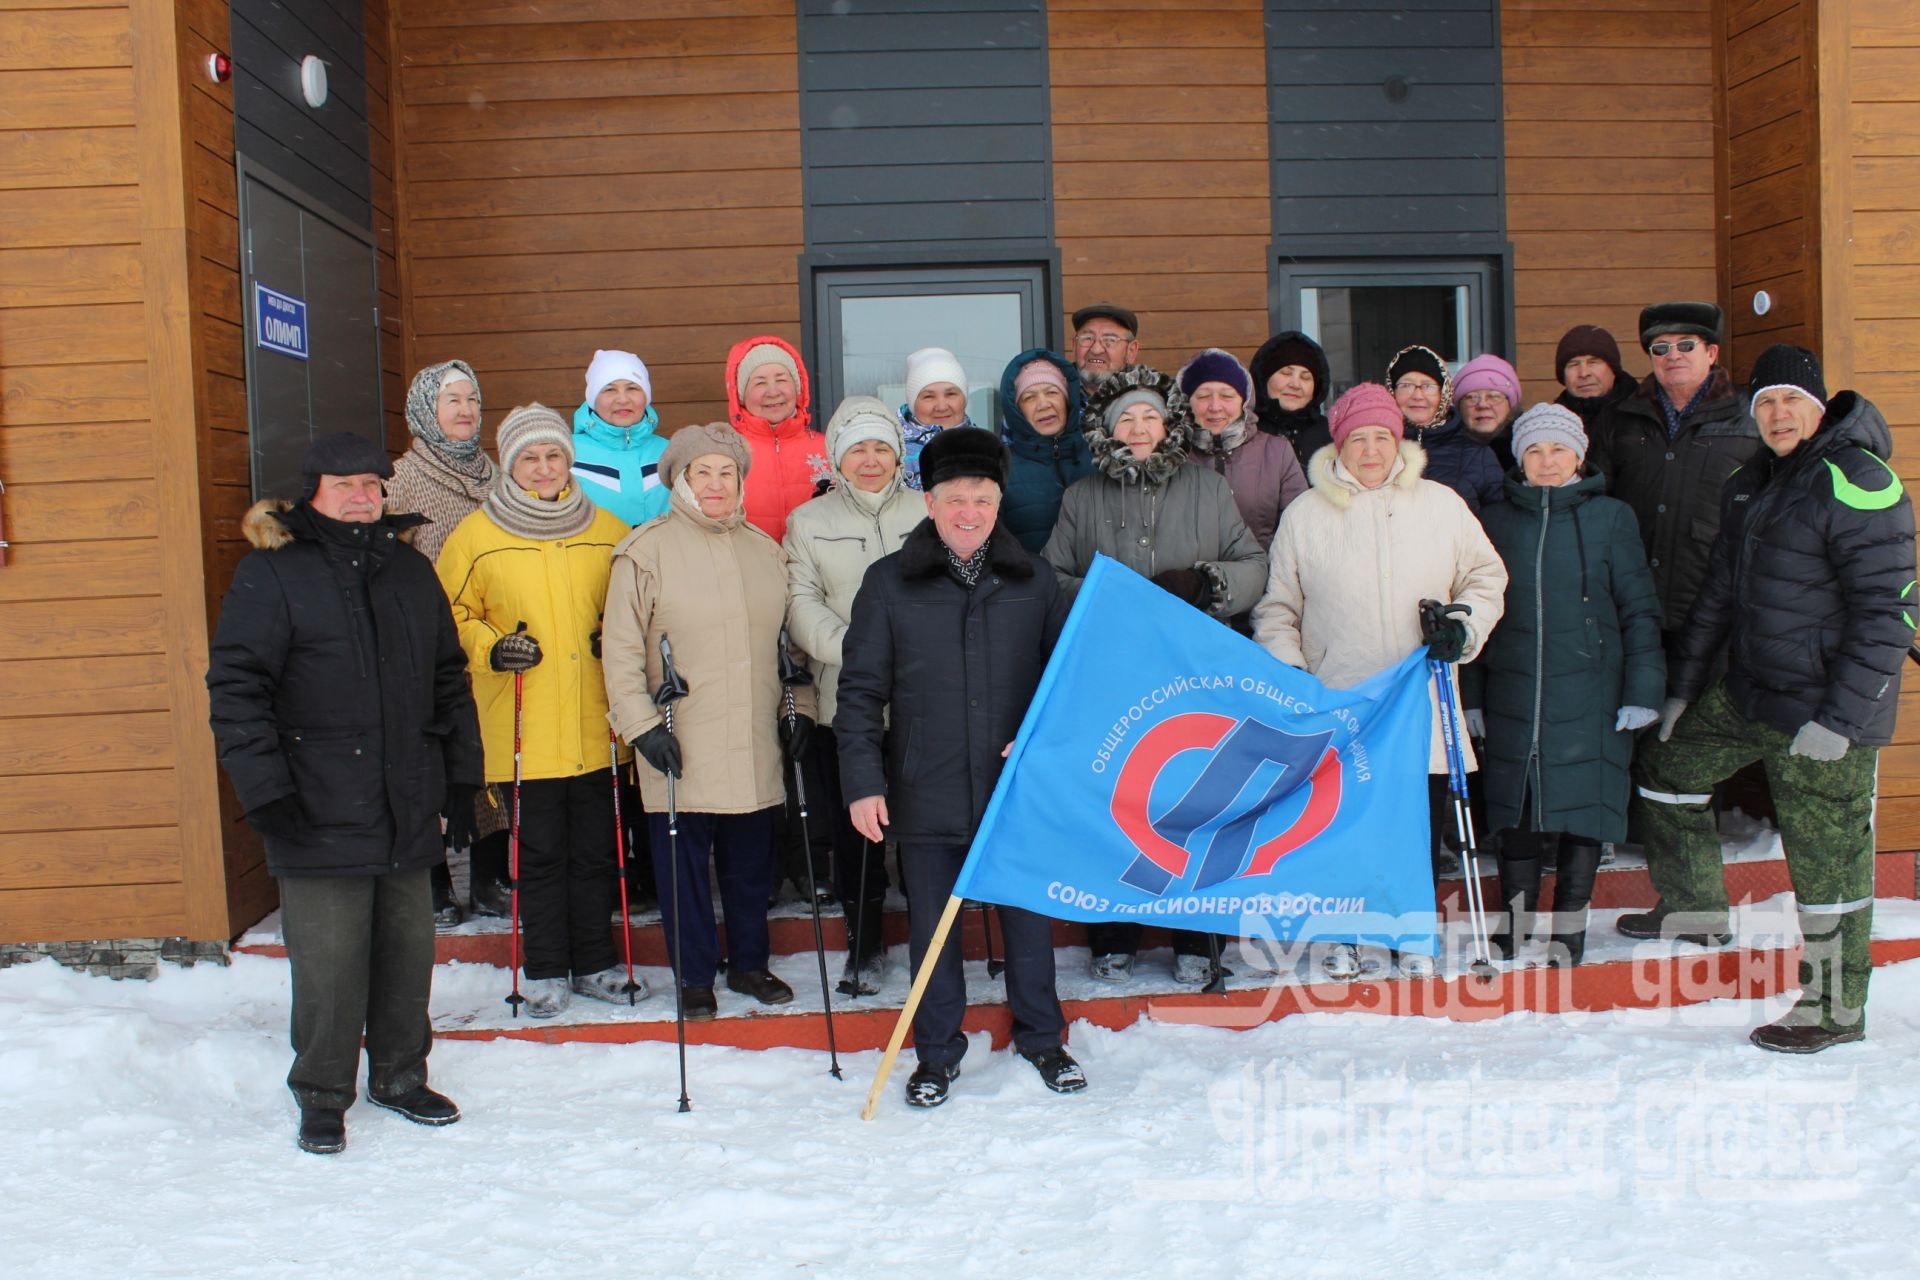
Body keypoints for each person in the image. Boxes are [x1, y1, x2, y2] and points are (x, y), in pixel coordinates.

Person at [1624, 346, 1913, 1053]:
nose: (1779, 414)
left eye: (1792, 400)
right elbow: (1719, 593)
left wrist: (1841, 720)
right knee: (1666, 771)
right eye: (1766, 402)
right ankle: (1694, 906)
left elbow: (1890, 612)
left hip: (1825, 713)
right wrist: (1686, 690)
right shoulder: (1754, 480)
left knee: (1828, 867)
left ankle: (1834, 1011)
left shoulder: (1858, 479)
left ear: (1820, 407)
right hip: (1752, 694)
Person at [208, 432, 482, 1156]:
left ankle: (398, 1076)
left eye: (372, 483)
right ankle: (322, 1093)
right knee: (329, 965)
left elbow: (449, 681)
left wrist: (464, 777)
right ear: (312, 494)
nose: (362, 496)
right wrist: (264, 790)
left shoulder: (409, 573)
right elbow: (237, 689)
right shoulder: (272, 576)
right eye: (345, 484)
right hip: (314, 803)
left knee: (404, 953)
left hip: (405, 798)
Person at [837, 427, 1083, 1107]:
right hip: (925, 786)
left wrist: (1043, 744)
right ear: (930, 502)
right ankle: (937, 1054)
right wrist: (863, 782)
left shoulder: (1036, 580)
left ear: (998, 502)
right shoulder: (888, 583)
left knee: (1027, 925)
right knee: (932, 933)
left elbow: (1069, 682)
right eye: (954, 499)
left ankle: (1043, 1039)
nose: (968, 512)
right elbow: (859, 692)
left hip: (1016, 791)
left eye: (980, 498)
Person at [1252, 383, 1508, 979]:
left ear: (1399, 439)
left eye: (1381, 436)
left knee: (1417, 821)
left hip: (1422, 697)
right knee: (1346, 823)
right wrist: (1294, 673)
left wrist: (1462, 628)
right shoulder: (1306, 513)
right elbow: (1278, 607)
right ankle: (1346, 934)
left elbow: (1485, 575)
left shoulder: (1440, 503)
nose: (1370, 450)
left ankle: (1410, 931)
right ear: (1339, 444)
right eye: (1357, 438)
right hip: (1343, 699)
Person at [1043, 364, 1269, 983]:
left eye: (1148, 416)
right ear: (1107, 430)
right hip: (1114, 672)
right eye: (1125, 419)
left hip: (1195, 670)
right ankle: (1112, 933)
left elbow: (1253, 561)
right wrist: (1105, 595)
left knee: (1196, 799)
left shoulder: (1207, 489)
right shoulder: (1082, 497)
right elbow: (1051, 579)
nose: (1138, 428)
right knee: (1121, 797)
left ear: (1167, 421)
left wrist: (1207, 582)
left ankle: (1197, 940)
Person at [602, 422, 812, 1021]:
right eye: (703, 472)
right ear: (680, 479)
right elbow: (618, 651)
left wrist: (801, 711)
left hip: (751, 735)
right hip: (678, 735)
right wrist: (641, 727)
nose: (716, 483)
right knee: (683, 868)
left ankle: (749, 964)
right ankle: (695, 975)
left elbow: (788, 648)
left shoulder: (765, 551)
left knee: (751, 865)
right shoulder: (644, 551)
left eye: (727, 472)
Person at [437, 405, 634, 1019]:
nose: (544, 468)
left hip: (598, 723)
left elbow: (637, 604)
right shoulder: (477, 534)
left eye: (553, 456)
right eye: (530, 457)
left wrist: (617, 635)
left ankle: (597, 961)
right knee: (541, 853)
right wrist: (492, 648)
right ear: (510, 464)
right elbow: (450, 615)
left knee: (600, 851)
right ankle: (546, 966)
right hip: (522, 722)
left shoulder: (607, 527)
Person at [1474, 404, 1665, 966]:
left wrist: (1643, 689)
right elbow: (1477, 614)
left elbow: (1638, 610)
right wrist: (1472, 698)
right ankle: (1514, 924)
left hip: (1593, 688)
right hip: (1514, 688)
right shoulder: (1495, 520)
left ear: (1579, 457)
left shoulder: (1612, 518)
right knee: (1517, 810)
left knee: (1586, 809)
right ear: (1520, 461)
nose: (1547, 461)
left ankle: (1570, 929)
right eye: (1535, 451)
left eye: (1558, 450)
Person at [784, 397, 924, 994]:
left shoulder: (929, 510)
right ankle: (863, 946)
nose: (871, 460)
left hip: (924, 703)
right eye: (857, 448)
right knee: (857, 835)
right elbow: (800, 603)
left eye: (881, 447)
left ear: (898, 452)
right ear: (838, 457)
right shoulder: (808, 521)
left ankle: (930, 940)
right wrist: (862, 652)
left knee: (923, 830)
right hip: (844, 701)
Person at [383, 358, 499, 927]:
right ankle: (431, 878)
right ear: (425, 412)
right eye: (451, 400)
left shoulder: (496, 476)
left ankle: (489, 875)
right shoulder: (400, 481)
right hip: (426, 645)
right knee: (430, 761)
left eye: (472, 400)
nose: (465, 410)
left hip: (489, 641)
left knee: (488, 759)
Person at [1586, 302, 1760, 663]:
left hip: (1718, 603)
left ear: (1711, 353)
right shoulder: (1620, 417)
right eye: (1661, 348)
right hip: (1634, 600)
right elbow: (1595, 500)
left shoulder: (1750, 418)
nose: (1673, 355)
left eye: (1686, 345)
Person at [1178, 346, 1308, 551]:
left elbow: (1300, 527)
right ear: (1187, 404)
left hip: (1262, 575)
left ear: (1244, 402)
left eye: (1227, 396)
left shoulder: (1276, 452)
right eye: (1203, 396)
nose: (1215, 406)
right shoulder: (1173, 455)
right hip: (1193, 578)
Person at [726, 335, 832, 543]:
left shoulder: (829, 448)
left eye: (781, 380)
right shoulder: (725, 452)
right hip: (749, 568)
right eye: (760, 383)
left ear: (798, 388)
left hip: (817, 571)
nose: (773, 392)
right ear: (741, 395)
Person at [1387, 344, 1504, 516]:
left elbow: (1497, 521)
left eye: (1428, 386)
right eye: (1406, 385)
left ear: (1444, 393)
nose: (1417, 395)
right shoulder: (1378, 445)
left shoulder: (1477, 453)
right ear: (1392, 391)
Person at [998, 348, 1091, 552]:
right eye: (1029, 397)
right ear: (1017, 410)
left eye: (1052, 392)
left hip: (1096, 582)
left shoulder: (1098, 458)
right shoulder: (1002, 468)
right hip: (1031, 581)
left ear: (1068, 400)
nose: (1043, 404)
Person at [570, 348, 669, 527]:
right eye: (609, 390)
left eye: (632, 388)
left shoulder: (670, 452)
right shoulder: (567, 453)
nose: (622, 399)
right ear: (593, 398)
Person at [1249, 329, 1333, 468]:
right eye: (1286, 373)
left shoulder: (1331, 435)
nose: (1295, 384)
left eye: (1305, 377)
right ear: (1264, 379)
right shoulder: (1246, 431)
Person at [898, 346, 976, 490]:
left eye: (951, 394)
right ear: (913, 404)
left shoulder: (987, 448)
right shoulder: (891, 452)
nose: (941, 406)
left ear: (964, 399)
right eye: (929, 396)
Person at [1553, 324, 1636, 431]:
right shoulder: (1552, 426)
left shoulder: (1645, 416)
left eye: (1593, 362)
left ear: (1613, 370)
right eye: (1574, 364)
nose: (1583, 373)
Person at [1452, 353, 1523, 473]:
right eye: (1471, 397)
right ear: (1459, 407)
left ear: (1510, 405)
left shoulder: (1527, 451)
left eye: (1494, 396)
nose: (1483, 405)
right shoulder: (1444, 452)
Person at [1071, 301, 1139, 388]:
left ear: (1131, 351)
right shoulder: (1053, 393)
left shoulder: (1148, 398)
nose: (1096, 350)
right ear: (1074, 345)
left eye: (1110, 340)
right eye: (1088, 338)